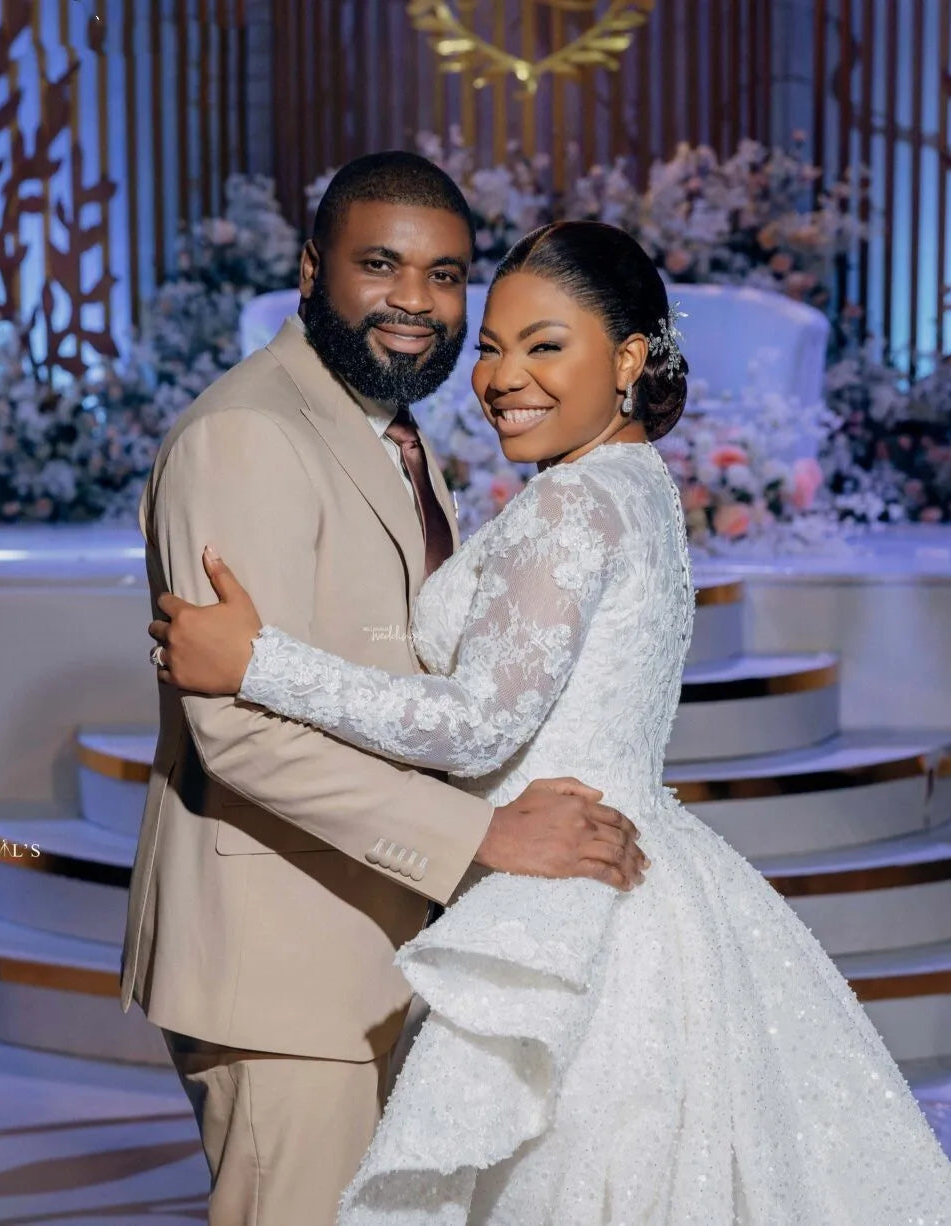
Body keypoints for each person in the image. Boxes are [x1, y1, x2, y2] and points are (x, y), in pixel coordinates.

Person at [149, 221, 951, 1224]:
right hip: (637, 885)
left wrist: (261, 662)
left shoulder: (572, 506)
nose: (505, 376)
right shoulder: (637, 486)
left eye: (545, 345)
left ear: (628, 357)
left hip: (572, 909)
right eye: (495, 346)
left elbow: (474, 724)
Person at [121, 156, 648, 1226]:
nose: (417, 300)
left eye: (446, 275)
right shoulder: (250, 433)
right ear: (312, 270)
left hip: (377, 941)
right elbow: (245, 738)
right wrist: (479, 836)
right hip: (282, 966)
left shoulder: (391, 433)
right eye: (381, 264)